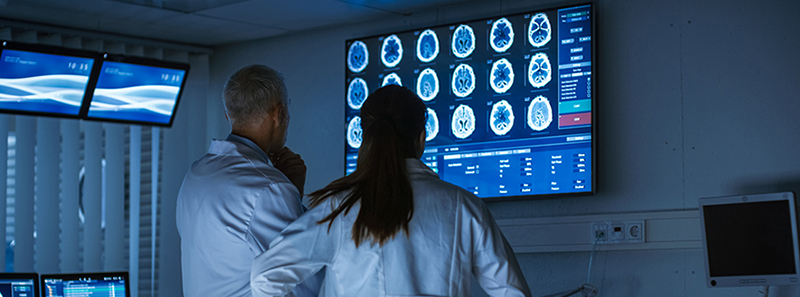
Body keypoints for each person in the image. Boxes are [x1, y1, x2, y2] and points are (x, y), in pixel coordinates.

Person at [250, 85, 531, 297]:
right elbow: (513, 292)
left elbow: (266, 276)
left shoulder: (340, 208)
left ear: (365, 138)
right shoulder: (464, 208)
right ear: (421, 138)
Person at [177, 64, 320, 297]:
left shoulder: (195, 174)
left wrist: (289, 192)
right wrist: (289, 193)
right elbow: (306, 285)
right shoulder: (270, 187)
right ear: (279, 113)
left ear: (228, 115)